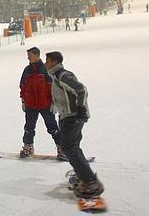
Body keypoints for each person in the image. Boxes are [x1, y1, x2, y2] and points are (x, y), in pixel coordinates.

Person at [45, 51, 104, 199]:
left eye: (47, 60)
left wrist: (81, 109)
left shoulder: (62, 75)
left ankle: (90, 183)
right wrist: (55, 105)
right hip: (68, 116)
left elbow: (81, 89)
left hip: (73, 117)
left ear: (54, 62)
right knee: (72, 147)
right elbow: (64, 95)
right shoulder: (56, 76)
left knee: (68, 147)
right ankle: (84, 176)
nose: (45, 63)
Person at [18, 47, 64, 160]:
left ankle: (62, 149)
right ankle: (28, 147)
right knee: (29, 127)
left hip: (45, 104)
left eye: (30, 55)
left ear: (36, 55)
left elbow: (52, 87)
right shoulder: (27, 70)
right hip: (31, 105)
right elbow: (23, 86)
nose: (28, 57)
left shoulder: (45, 69)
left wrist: (54, 103)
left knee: (52, 127)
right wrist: (23, 100)